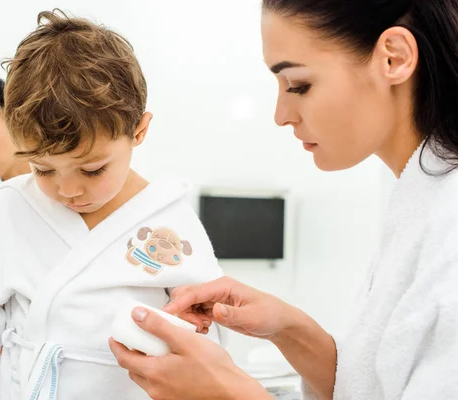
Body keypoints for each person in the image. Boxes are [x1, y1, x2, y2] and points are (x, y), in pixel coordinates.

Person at [109, 1, 458, 399]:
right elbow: (373, 386)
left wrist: (229, 393)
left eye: (298, 85)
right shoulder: (420, 204)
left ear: (394, 58)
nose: (281, 114)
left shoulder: (448, 223)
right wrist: (290, 329)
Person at [0, 10, 224, 400]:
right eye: (43, 170)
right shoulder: (7, 213)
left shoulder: (170, 222)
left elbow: (209, 349)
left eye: (92, 169)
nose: (68, 190)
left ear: (138, 130)